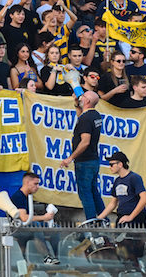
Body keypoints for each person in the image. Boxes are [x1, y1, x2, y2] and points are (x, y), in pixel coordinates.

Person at [58, 91, 105, 221]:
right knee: (94, 191)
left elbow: (85, 142)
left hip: (84, 161)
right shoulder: (94, 115)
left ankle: (91, 221)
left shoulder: (86, 119)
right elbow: (82, 117)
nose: (80, 96)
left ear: (87, 101)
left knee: (85, 193)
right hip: (93, 159)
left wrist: (70, 158)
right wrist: (76, 105)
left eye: (83, 96)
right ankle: (103, 219)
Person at [7, 171, 59, 265]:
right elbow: (23, 218)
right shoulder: (18, 196)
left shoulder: (28, 197)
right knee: (36, 225)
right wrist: (44, 217)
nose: (37, 186)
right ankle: (46, 257)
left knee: (56, 228)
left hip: (26, 228)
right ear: (27, 183)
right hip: (17, 229)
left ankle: (56, 256)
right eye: (35, 184)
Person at [97, 151, 146, 227]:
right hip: (122, 216)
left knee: (131, 238)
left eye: (112, 165)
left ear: (120, 164)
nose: (110, 167)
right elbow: (113, 203)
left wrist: (131, 216)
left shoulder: (134, 177)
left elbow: (145, 198)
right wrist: (99, 218)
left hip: (135, 217)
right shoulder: (117, 181)